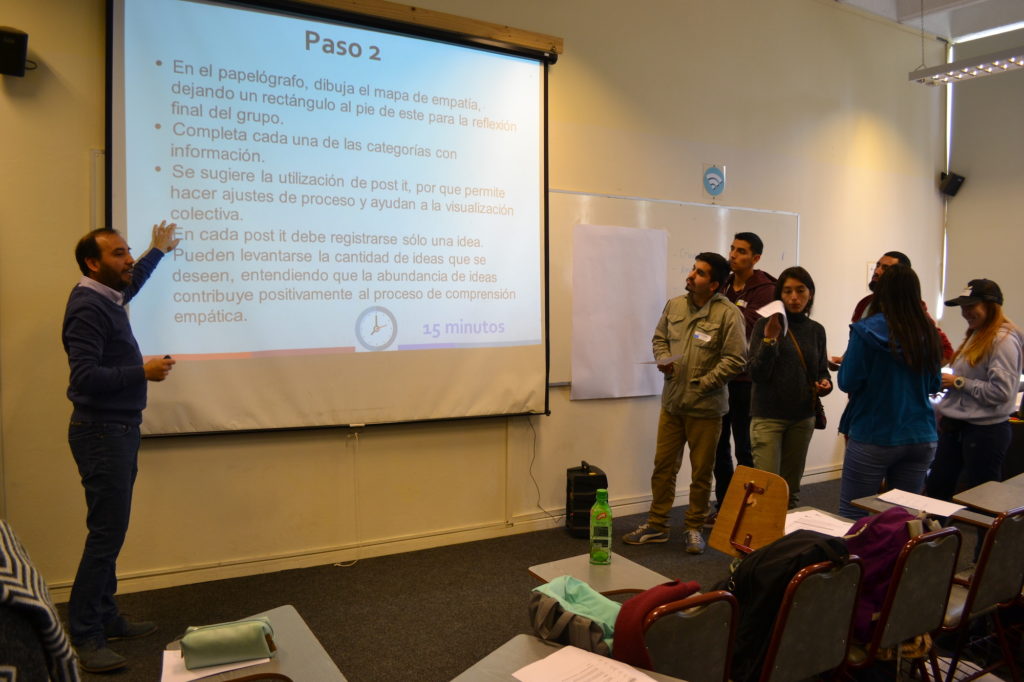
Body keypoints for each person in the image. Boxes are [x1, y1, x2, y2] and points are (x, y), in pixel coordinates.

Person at [62, 221, 180, 672]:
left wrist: (156, 252)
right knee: (106, 535)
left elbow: (131, 285)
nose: (129, 260)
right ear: (92, 264)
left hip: (117, 429)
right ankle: (85, 634)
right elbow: (84, 377)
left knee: (111, 532)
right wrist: (141, 372)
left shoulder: (106, 297)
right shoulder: (86, 307)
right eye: (118, 254)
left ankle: (107, 617)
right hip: (101, 433)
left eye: (128, 251)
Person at [623, 252, 746, 554]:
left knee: (701, 473)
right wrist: (664, 358)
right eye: (693, 269)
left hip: (706, 408)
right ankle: (657, 524)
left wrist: (705, 383)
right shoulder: (674, 305)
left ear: (714, 284)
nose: (691, 275)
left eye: (700, 273)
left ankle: (694, 527)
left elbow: (736, 359)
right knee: (663, 467)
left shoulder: (728, 314)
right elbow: (659, 338)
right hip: (673, 404)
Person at [836, 264, 943, 519]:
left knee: (853, 515)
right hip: (920, 436)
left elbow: (847, 382)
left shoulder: (865, 331)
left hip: (874, 434)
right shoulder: (928, 332)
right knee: (902, 518)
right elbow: (934, 384)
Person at [925, 280, 1023, 501]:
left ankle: (978, 528)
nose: (965, 313)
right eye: (963, 307)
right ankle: (937, 525)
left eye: (971, 306)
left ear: (990, 306)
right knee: (938, 488)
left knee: (981, 499)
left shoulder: (1002, 341)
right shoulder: (978, 335)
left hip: (985, 432)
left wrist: (959, 383)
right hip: (958, 428)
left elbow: (1002, 393)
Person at [747, 266, 831, 508]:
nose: (794, 297)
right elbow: (756, 373)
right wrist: (770, 340)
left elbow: (821, 370)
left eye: (800, 290)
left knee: (791, 490)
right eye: (787, 291)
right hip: (768, 417)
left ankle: (787, 532)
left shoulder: (816, 330)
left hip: (802, 417)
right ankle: (764, 533)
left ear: (810, 293)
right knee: (766, 489)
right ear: (779, 295)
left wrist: (825, 383)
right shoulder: (765, 325)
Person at [712, 233, 776, 520]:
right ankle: (724, 507)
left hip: (746, 382)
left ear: (756, 258)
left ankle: (746, 512)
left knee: (745, 449)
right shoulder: (724, 283)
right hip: (720, 378)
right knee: (718, 448)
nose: (733, 255)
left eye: (741, 251)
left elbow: (749, 329)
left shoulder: (766, 290)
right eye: (732, 249)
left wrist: (717, 319)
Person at [831, 250, 952, 368]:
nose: (877, 271)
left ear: (900, 275)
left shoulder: (912, 309)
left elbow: (947, 353)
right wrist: (846, 359)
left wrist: (913, 375)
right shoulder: (865, 303)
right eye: (878, 265)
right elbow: (858, 342)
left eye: (885, 268)